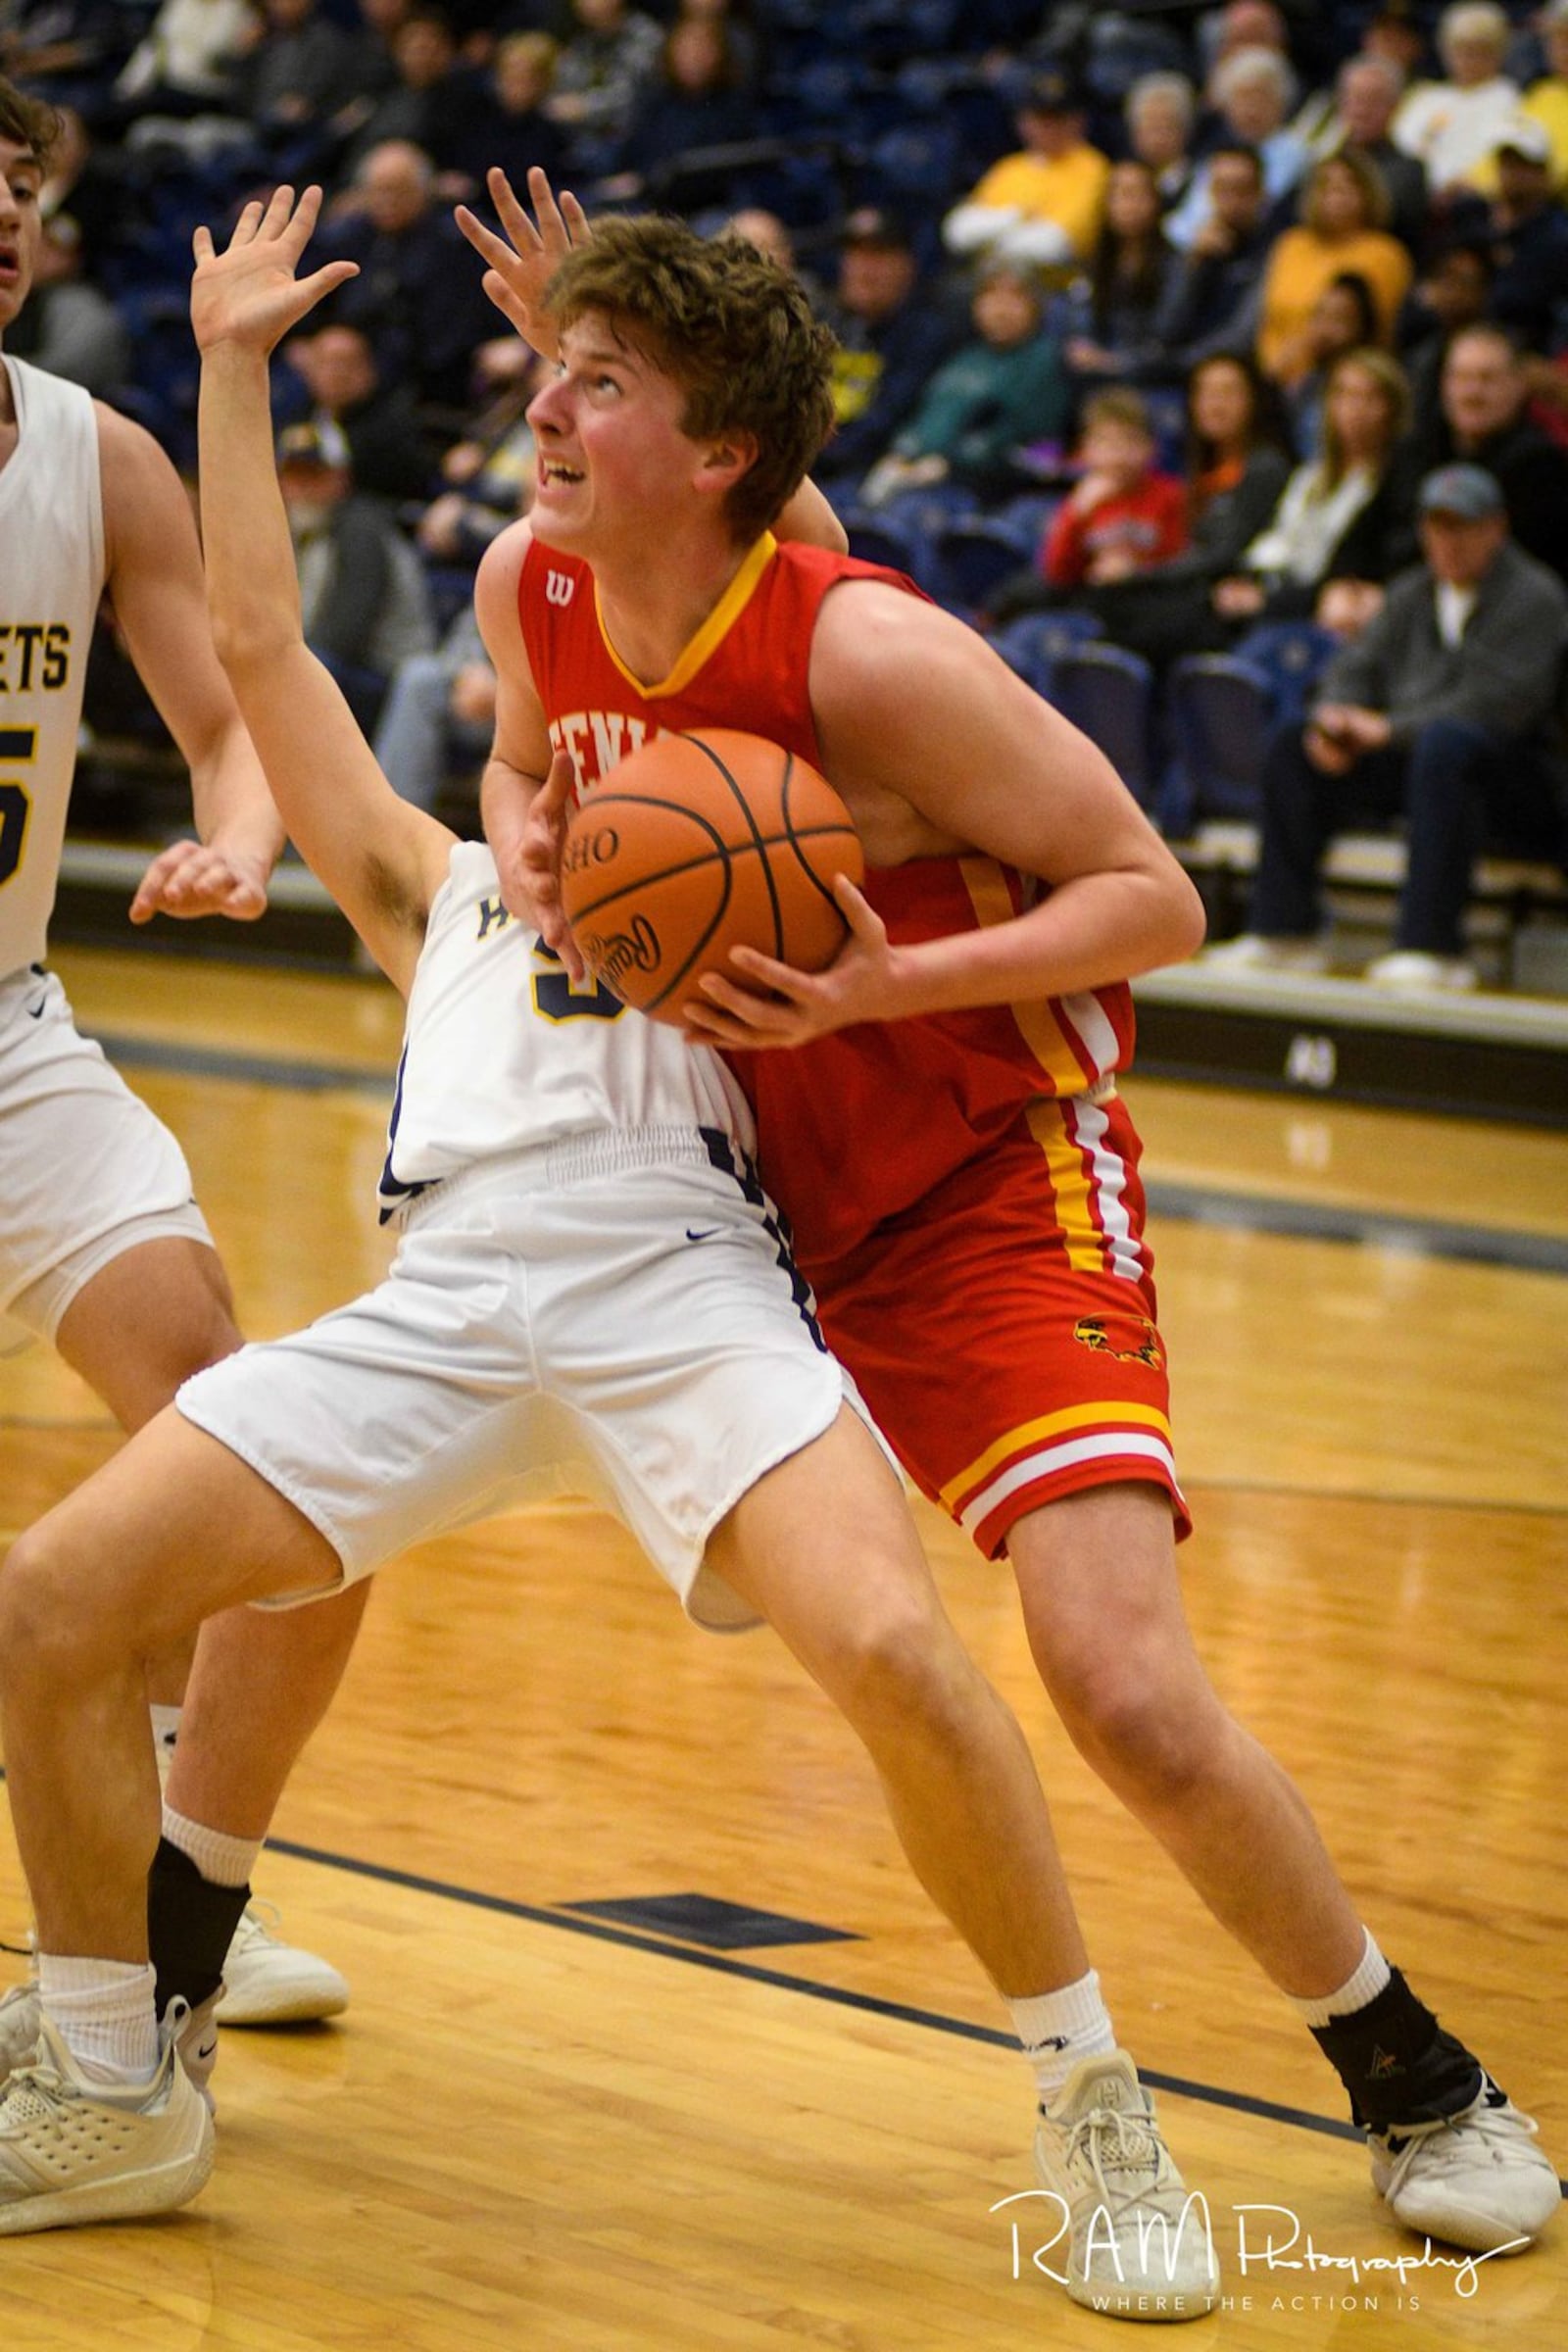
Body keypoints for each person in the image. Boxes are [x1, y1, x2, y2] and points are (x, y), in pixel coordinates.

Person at [0, 194, 1194, 2329]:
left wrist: (672, 400)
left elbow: (770, 590)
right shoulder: (425, 880)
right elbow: (261, 650)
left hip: (685, 1294)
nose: (571, 780)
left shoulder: (747, 893)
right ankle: (112, 2079)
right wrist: (238, 365)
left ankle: (1090, 2097)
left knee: (904, 1662)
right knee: (50, 1603)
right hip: (442, 1302)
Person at [461, 173, 1561, 2298]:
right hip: (719, 1193)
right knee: (335, 1487)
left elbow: (1155, 896)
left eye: (598, 388)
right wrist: (536, 845)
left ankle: (1414, 2074)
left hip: (977, 1168)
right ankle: (158, 1992)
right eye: (543, 374)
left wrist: (870, 989)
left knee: (1119, 1693)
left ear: (717, 456)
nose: (544, 414)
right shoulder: (533, 580)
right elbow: (523, 770)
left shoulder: (866, 650)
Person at [0, 76, 351, 2033]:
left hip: (12, 1035)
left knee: (231, 1424)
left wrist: (238, 826)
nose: (1, 218)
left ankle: (177, 1890)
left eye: (19, 188)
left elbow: (227, 711)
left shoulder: (98, 455)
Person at [1208, 463, 1568, 988]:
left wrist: (1386, 730)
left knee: (1447, 745)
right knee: (1294, 742)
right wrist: (1335, 720)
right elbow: (1353, 668)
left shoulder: (1535, 597)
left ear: (1497, 527)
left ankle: (1433, 945)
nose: (1448, 541)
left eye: (1462, 526)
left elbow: (1499, 704)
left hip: (1513, 780)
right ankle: (1283, 931)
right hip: (1419, 759)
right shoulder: (1409, 593)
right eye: (1437, 527)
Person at [1252, 151, 1412, 389]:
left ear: (1368, 193)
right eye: (1326, 185)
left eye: (1349, 185)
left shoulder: (1384, 255)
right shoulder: (1291, 245)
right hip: (1271, 375)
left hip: (1339, 383)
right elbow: (1266, 319)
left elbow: (1373, 333)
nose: (1336, 195)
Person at [942, 69, 1111, 272]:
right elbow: (959, 232)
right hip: (997, 285)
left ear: (1078, 121)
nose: (1049, 127)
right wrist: (1018, 219)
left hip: (1061, 289)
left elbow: (1055, 245)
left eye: (1058, 118)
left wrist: (996, 232)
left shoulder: (1093, 167)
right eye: (1041, 118)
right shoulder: (1009, 168)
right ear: (1024, 123)